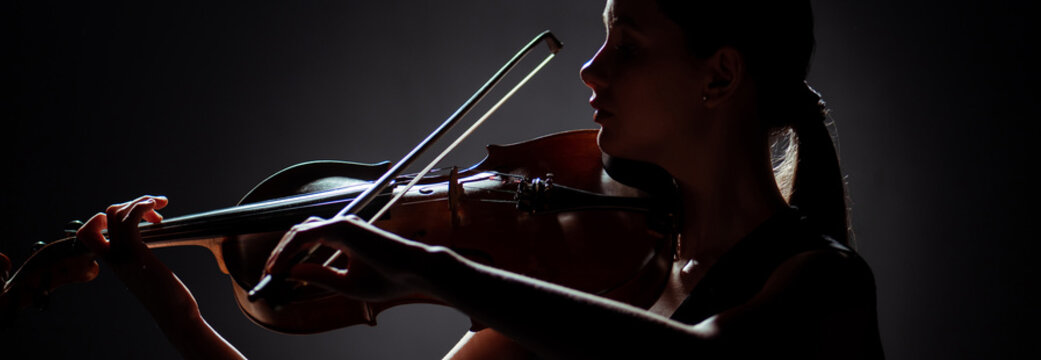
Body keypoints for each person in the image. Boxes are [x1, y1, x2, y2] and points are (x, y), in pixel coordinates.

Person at [75, 0, 885, 358]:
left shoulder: (819, 283)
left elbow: (692, 358)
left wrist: (430, 267)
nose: (592, 70)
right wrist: (170, 309)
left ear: (719, 76)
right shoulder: (611, 275)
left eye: (627, 44)